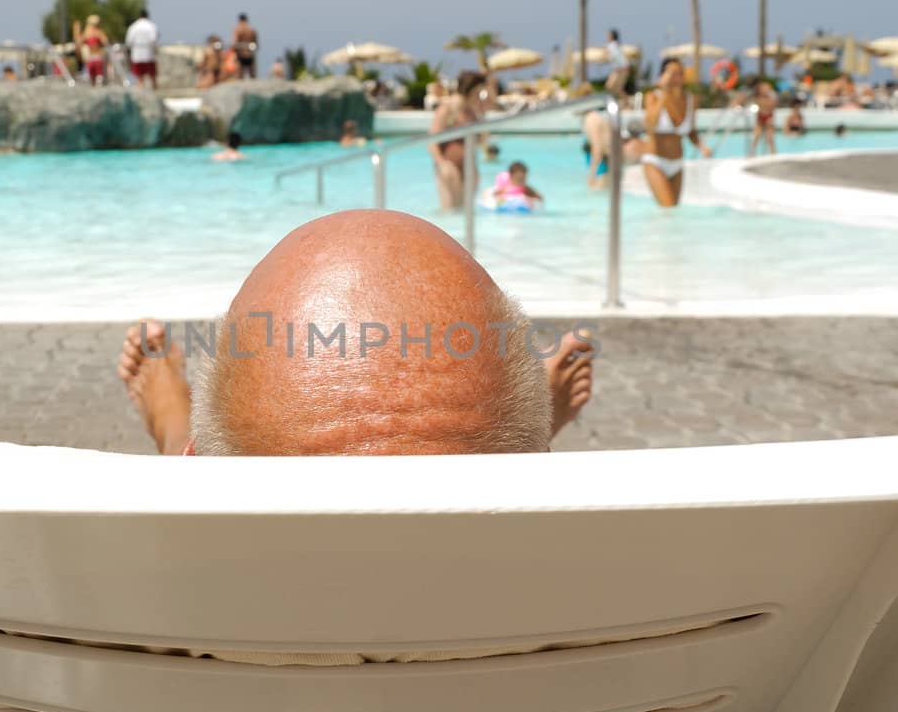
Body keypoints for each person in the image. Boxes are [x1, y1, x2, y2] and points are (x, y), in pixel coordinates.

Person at [117, 209, 595, 457]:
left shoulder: (146, 624)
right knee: (495, 433)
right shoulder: (609, 602)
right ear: (545, 463)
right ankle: (501, 441)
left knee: (215, 448)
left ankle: (175, 426)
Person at [641, 56, 712, 208]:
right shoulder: (653, 96)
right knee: (668, 207)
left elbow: (690, 131)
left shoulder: (690, 99)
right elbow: (650, 125)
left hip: (677, 164)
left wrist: (701, 146)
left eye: (680, 73)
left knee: (674, 211)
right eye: (672, 73)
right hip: (655, 161)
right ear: (662, 76)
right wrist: (664, 92)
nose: (677, 77)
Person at [429, 71, 484, 210]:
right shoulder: (447, 109)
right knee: (449, 210)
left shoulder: (472, 112)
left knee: (464, 211)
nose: (480, 97)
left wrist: (482, 114)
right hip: (449, 165)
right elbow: (432, 141)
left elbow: (482, 141)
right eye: (478, 93)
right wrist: (442, 163)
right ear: (469, 91)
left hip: (468, 165)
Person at [125, 8, 159, 88]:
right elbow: (153, 39)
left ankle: (141, 93)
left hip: (137, 55)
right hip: (149, 55)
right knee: (153, 78)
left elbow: (129, 41)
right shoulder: (151, 26)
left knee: (140, 79)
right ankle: (155, 92)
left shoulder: (133, 27)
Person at [74, 14, 108, 86]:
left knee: (93, 80)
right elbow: (105, 42)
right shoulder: (98, 32)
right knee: (99, 79)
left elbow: (78, 42)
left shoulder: (87, 33)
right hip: (97, 57)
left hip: (91, 58)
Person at [749, 78, 778, 156]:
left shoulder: (768, 97)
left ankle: (773, 153)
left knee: (770, 137)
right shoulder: (757, 97)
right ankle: (752, 153)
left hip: (768, 116)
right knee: (756, 135)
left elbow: (773, 105)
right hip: (760, 116)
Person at [603, 28, 630, 96]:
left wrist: (605, 56)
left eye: (608, 35)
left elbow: (611, 57)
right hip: (621, 69)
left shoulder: (611, 46)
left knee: (610, 87)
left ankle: (611, 102)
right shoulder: (615, 45)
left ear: (612, 36)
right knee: (616, 89)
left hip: (621, 69)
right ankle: (627, 102)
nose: (607, 36)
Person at [232, 13, 258, 78]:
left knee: (240, 76)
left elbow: (235, 43)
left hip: (240, 55)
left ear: (239, 20)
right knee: (252, 76)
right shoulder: (252, 30)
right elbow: (256, 44)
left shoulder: (238, 30)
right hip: (250, 54)